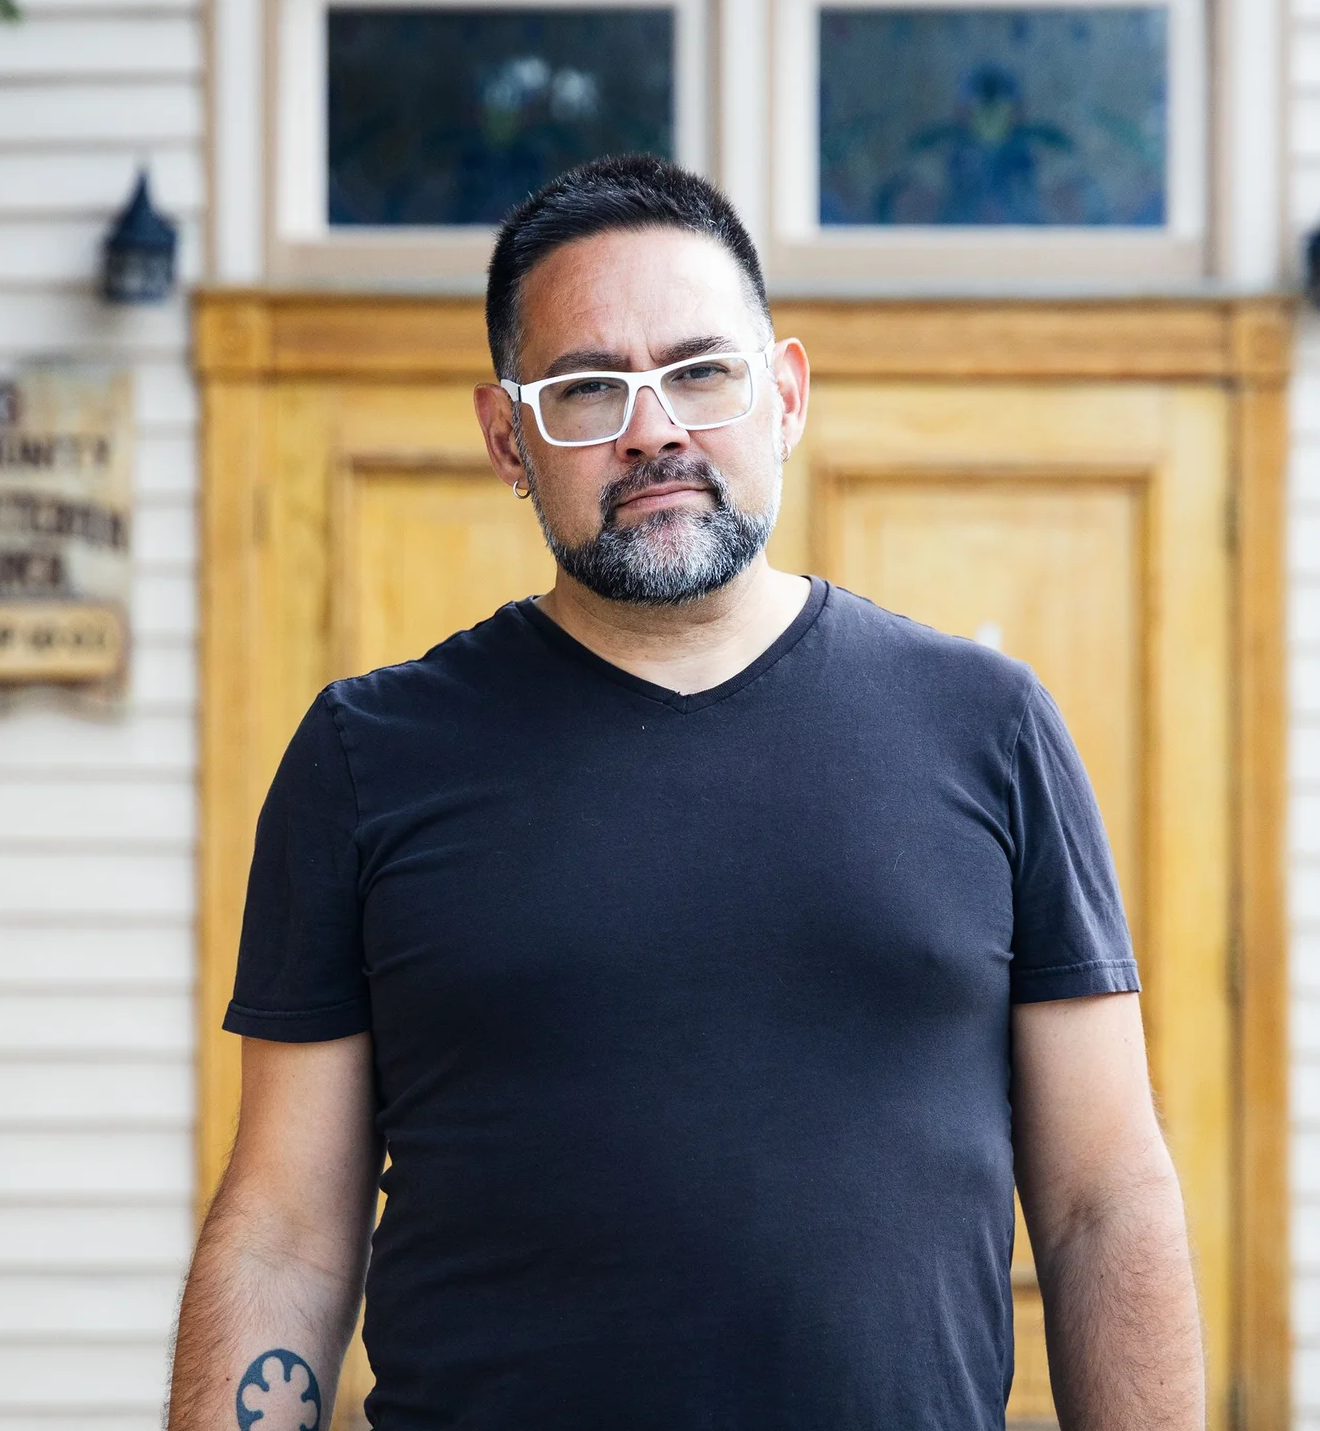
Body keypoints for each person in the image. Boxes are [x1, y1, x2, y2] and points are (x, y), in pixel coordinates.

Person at [166, 154, 1203, 1431]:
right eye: (589, 387)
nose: (653, 427)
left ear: (785, 396)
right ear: (507, 438)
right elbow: (283, 1235)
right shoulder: (369, 755)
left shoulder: (985, 728)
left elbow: (1105, 1200)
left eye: (700, 371)